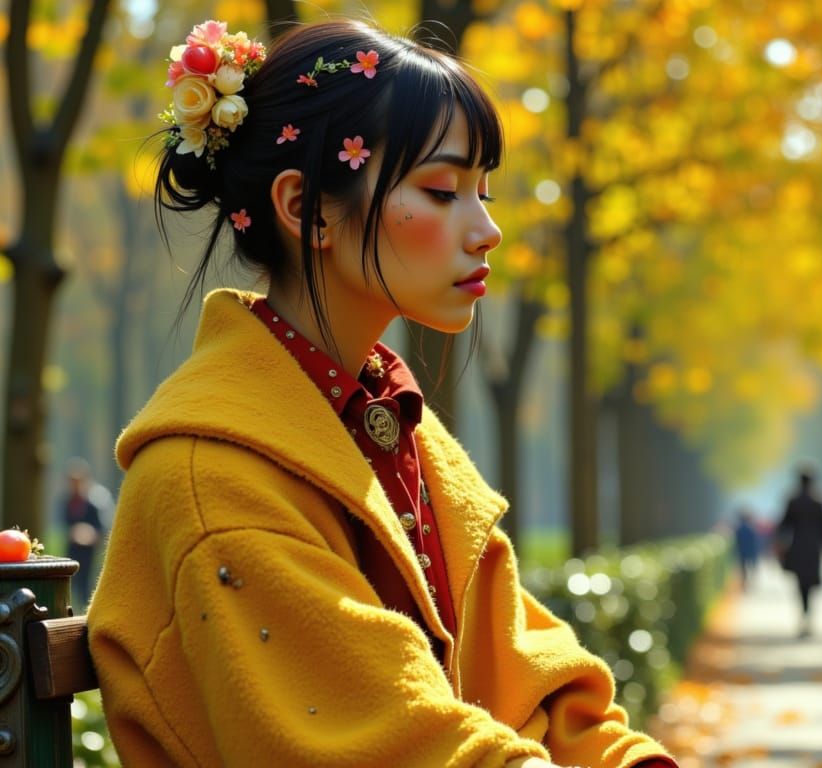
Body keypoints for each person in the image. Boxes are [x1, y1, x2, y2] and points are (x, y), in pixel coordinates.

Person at [86, 18, 676, 768]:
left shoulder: (396, 430)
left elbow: (544, 691)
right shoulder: (213, 478)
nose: (488, 229)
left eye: (483, 192)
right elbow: (397, 740)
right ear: (306, 208)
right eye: (442, 190)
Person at [775, 465, 822, 638]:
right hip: (813, 547)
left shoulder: (793, 501)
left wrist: (779, 543)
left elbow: (784, 524)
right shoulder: (819, 501)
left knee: (800, 583)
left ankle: (804, 612)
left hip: (798, 546)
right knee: (811, 582)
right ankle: (808, 614)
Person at [59, 458, 114, 609]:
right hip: (72, 550)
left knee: (88, 587)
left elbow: (105, 528)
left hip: (90, 553)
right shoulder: (67, 501)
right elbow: (65, 525)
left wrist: (89, 535)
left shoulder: (97, 501)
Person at [734, 507, 760, 590]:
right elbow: (754, 542)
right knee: (749, 569)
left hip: (742, 552)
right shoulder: (751, 529)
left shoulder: (738, 529)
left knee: (743, 570)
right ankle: (747, 584)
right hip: (749, 552)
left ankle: (744, 584)